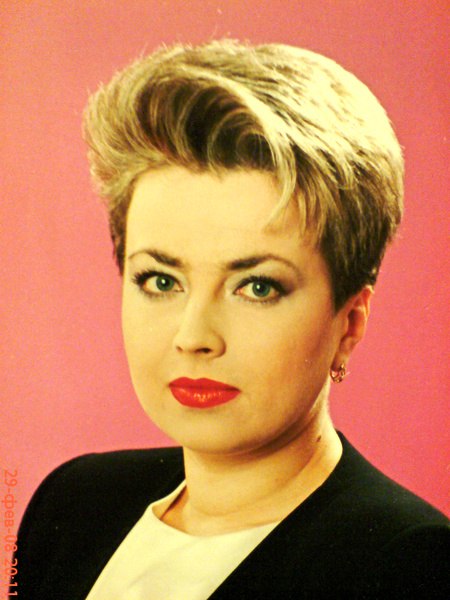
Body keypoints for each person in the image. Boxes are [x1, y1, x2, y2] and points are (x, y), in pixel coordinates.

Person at [12, 40, 449, 599]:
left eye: (257, 287)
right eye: (161, 281)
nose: (194, 336)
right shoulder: (72, 503)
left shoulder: (407, 564)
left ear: (350, 323)